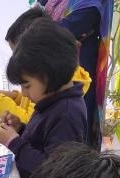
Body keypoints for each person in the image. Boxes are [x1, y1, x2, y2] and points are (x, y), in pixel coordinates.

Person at [0, 18, 87, 178]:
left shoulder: (67, 114)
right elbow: (42, 141)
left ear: (50, 74)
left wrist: (13, 142)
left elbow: (54, 171)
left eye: (27, 85)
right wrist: (20, 129)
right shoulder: (51, 100)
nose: (24, 94)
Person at [0, 7, 91, 124]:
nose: (15, 61)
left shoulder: (63, 107)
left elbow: (30, 120)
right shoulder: (46, 80)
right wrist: (15, 96)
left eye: (17, 54)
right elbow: (30, 105)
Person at [39, 0, 114, 148]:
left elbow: (62, 30)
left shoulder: (89, 5)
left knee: (74, 125)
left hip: (79, 74)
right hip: (59, 72)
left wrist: (48, 32)